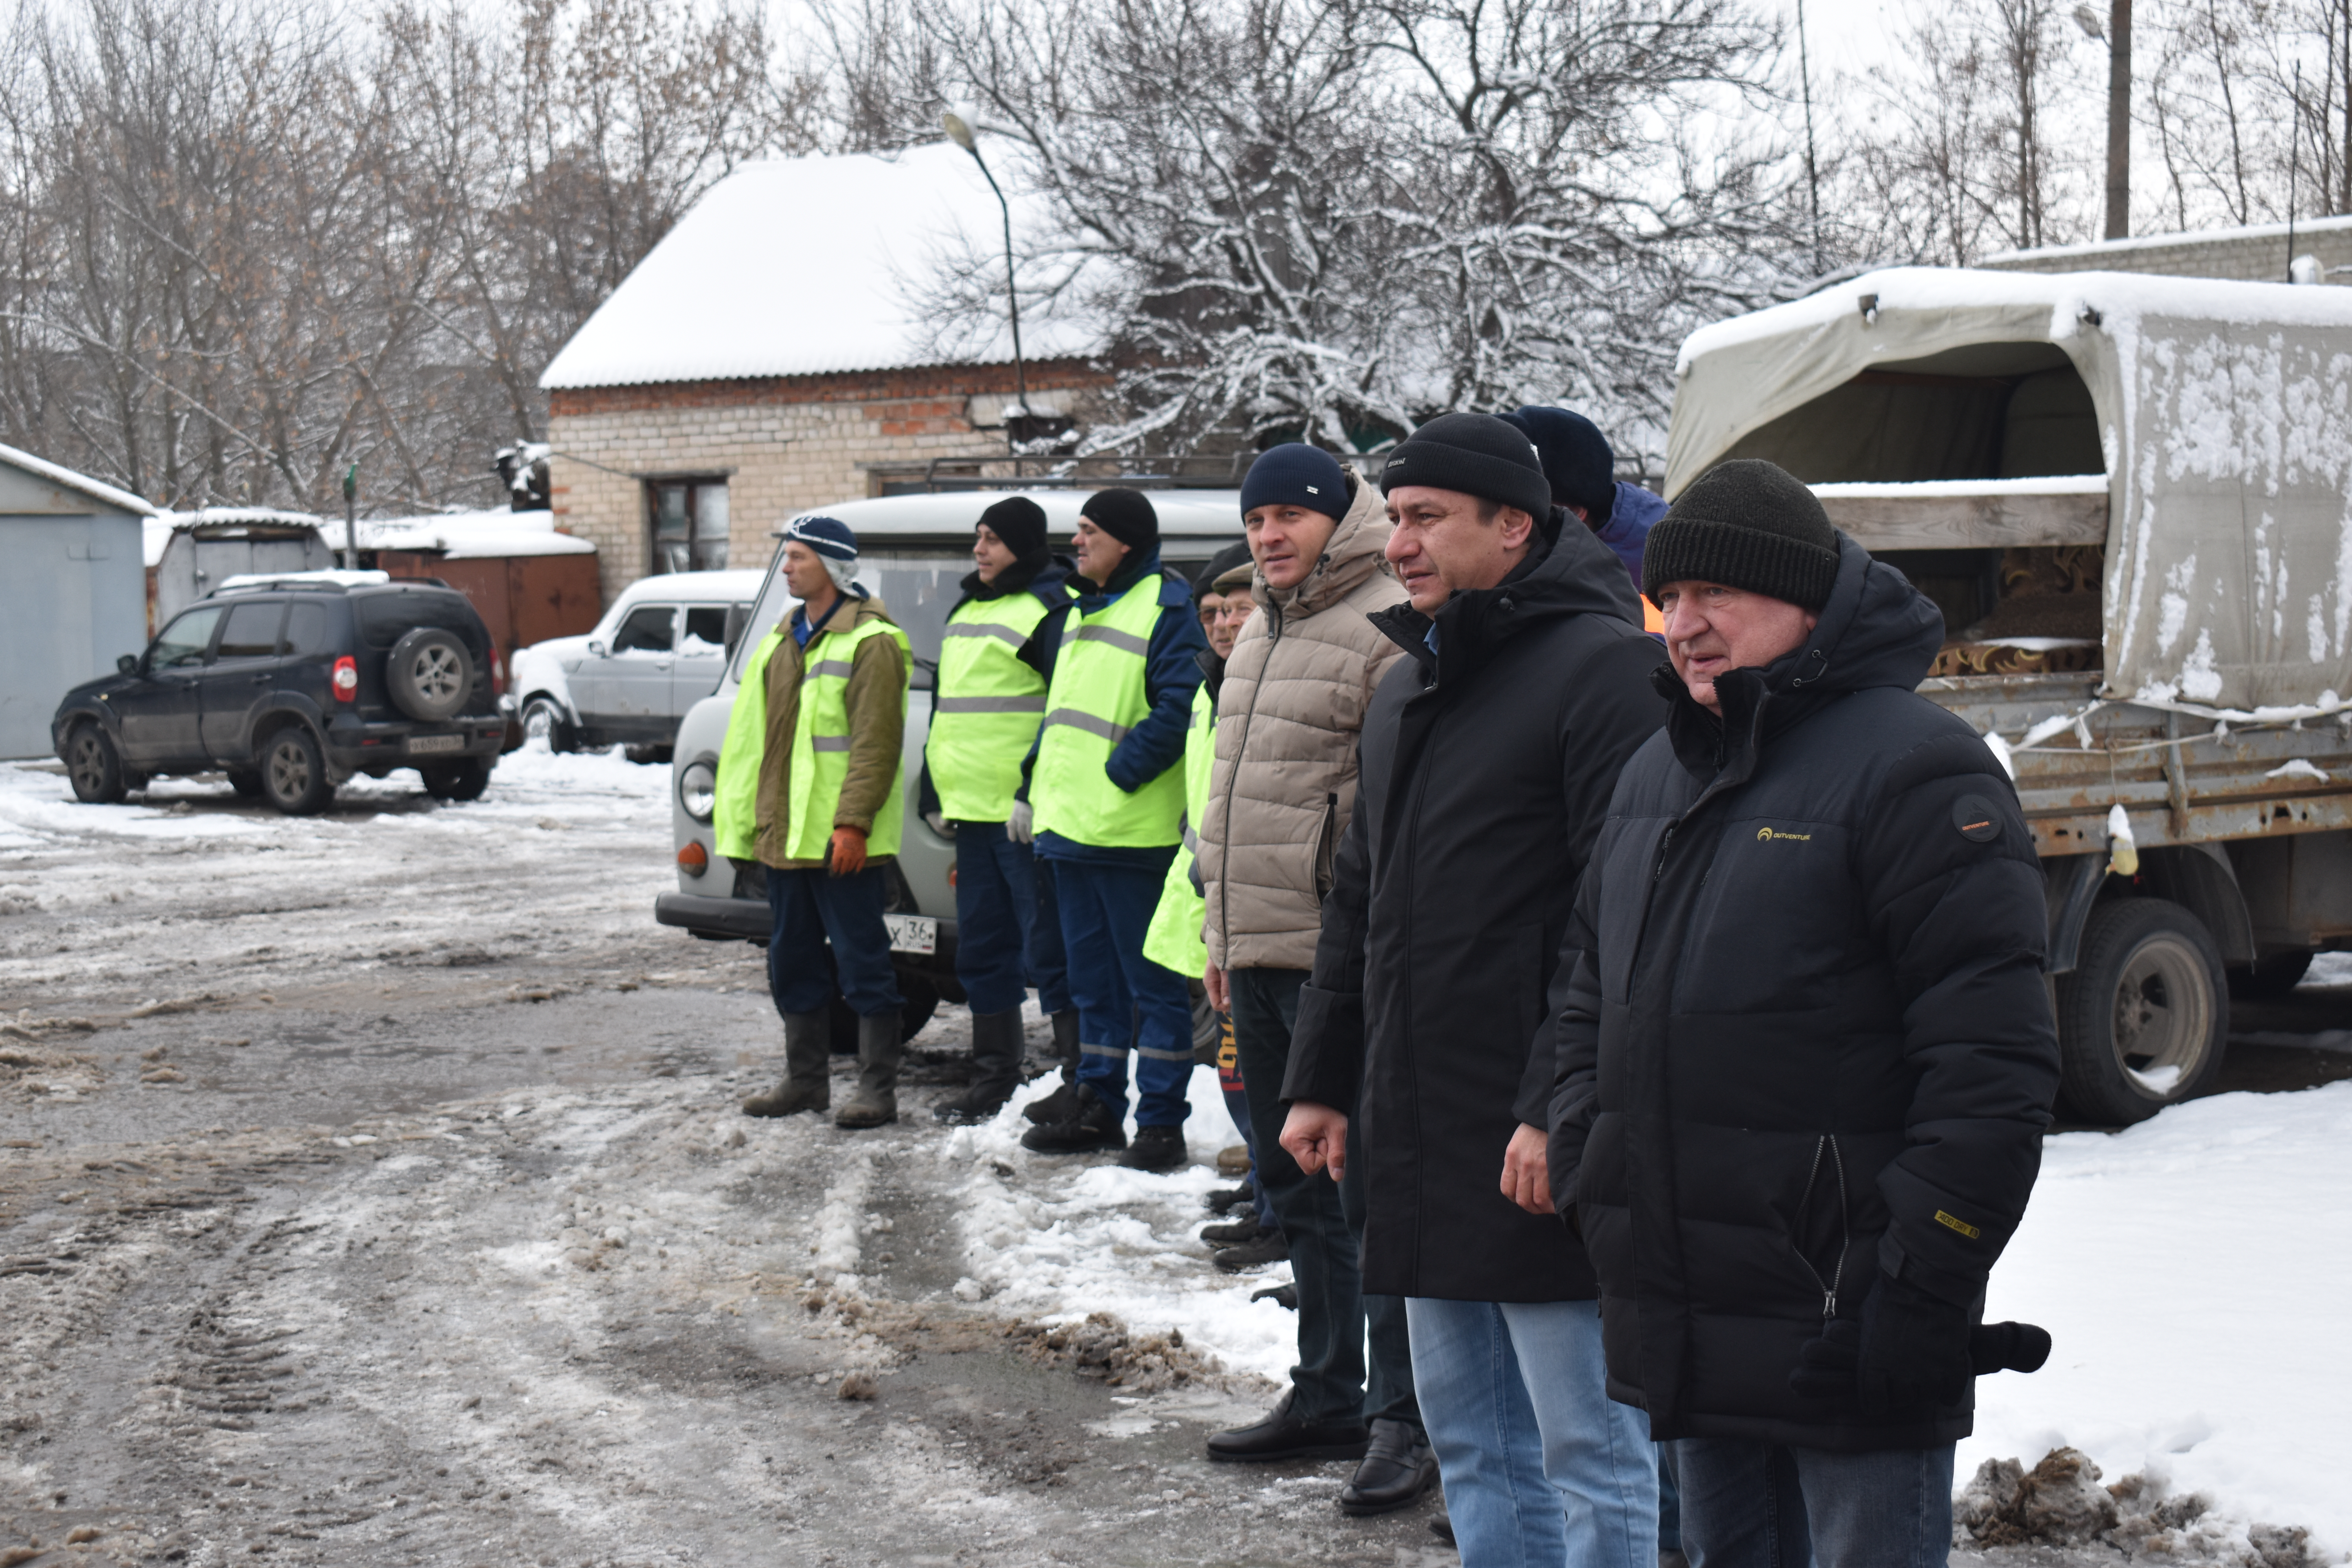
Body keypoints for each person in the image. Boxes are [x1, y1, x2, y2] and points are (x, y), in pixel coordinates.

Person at [1545, 459, 2061, 1568]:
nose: (1680, 624)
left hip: (1849, 1307)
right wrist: (1596, 1165)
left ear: (1807, 600)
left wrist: (1923, 1278)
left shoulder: (1918, 769)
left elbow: (1992, 1065)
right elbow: (1591, 993)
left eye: (1714, 596)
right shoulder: (1657, 772)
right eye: (1668, 596)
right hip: (1688, 1297)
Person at [1276, 414, 1668, 1565]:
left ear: (1514, 527)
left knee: (1591, 1449)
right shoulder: (1409, 684)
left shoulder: (1606, 670)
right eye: (1394, 517)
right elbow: (1362, 903)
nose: (1401, 542)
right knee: (1471, 1442)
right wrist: (1325, 1081)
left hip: (1537, 1143)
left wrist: (1557, 1105)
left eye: (1427, 518)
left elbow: (1620, 918)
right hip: (1421, 1134)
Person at [1192, 444, 1434, 1518]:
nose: (1271, 535)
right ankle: (1328, 1388)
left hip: (1344, 967)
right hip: (1256, 955)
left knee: (1370, 1193)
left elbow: (1390, 824)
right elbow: (1233, 804)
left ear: (1342, 519)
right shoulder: (1256, 634)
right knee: (1294, 1190)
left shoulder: (1388, 626)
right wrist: (1218, 932)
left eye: (1292, 516)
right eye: (1258, 521)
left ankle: (1403, 1413)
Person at [1018, 487, 1208, 1171]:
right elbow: (1061, 714)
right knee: (1092, 985)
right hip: (1070, 831)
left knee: (1153, 988)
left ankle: (1161, 1124)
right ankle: (1096, 1103)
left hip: (1131, 835)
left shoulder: (1167, 606)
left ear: (1126, 541)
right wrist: (1031, 787)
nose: (1076, 542)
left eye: (1089, 531)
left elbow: (1183, 701)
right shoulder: (1077, 610)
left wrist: (1121, 773)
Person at [715, 515, 913, 1129]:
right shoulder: (781, 640)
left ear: (831, 566)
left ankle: (877, 1090)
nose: (788, 567)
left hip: (839, 843)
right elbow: (760, 748)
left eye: (798, 557)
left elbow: (876, 747)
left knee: (863, 964)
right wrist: (749, 829)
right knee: (792, 962)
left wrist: (852, 824)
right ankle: (805, 1083)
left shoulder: (871, 642)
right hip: (785, 841)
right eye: (787, 556)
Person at [1138, 544, 1278, 1264]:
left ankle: (1278, 1207)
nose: (1222, 624)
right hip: (1210, 903)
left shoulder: (1263, 682)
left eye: (1236, 608)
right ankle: (1264, 1185)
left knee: (1254, 1069)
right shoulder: (1210, 684)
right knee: (1236, 1066)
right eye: (1211, 612)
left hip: (1256, 910)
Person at [924, 496, 1079, 1124]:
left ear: (1023, 543)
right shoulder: (966, 609)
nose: (979, 550)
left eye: (992, 539)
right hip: (972, 816)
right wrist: (936, 794)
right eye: (977, 538)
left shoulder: (1051, 607)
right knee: (983, 950)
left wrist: (1031, 791)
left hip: (1025, 818)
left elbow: (1065, 712)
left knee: (1051, 950)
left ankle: (1080, 1080)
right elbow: (947, 711)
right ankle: (993, 1077)